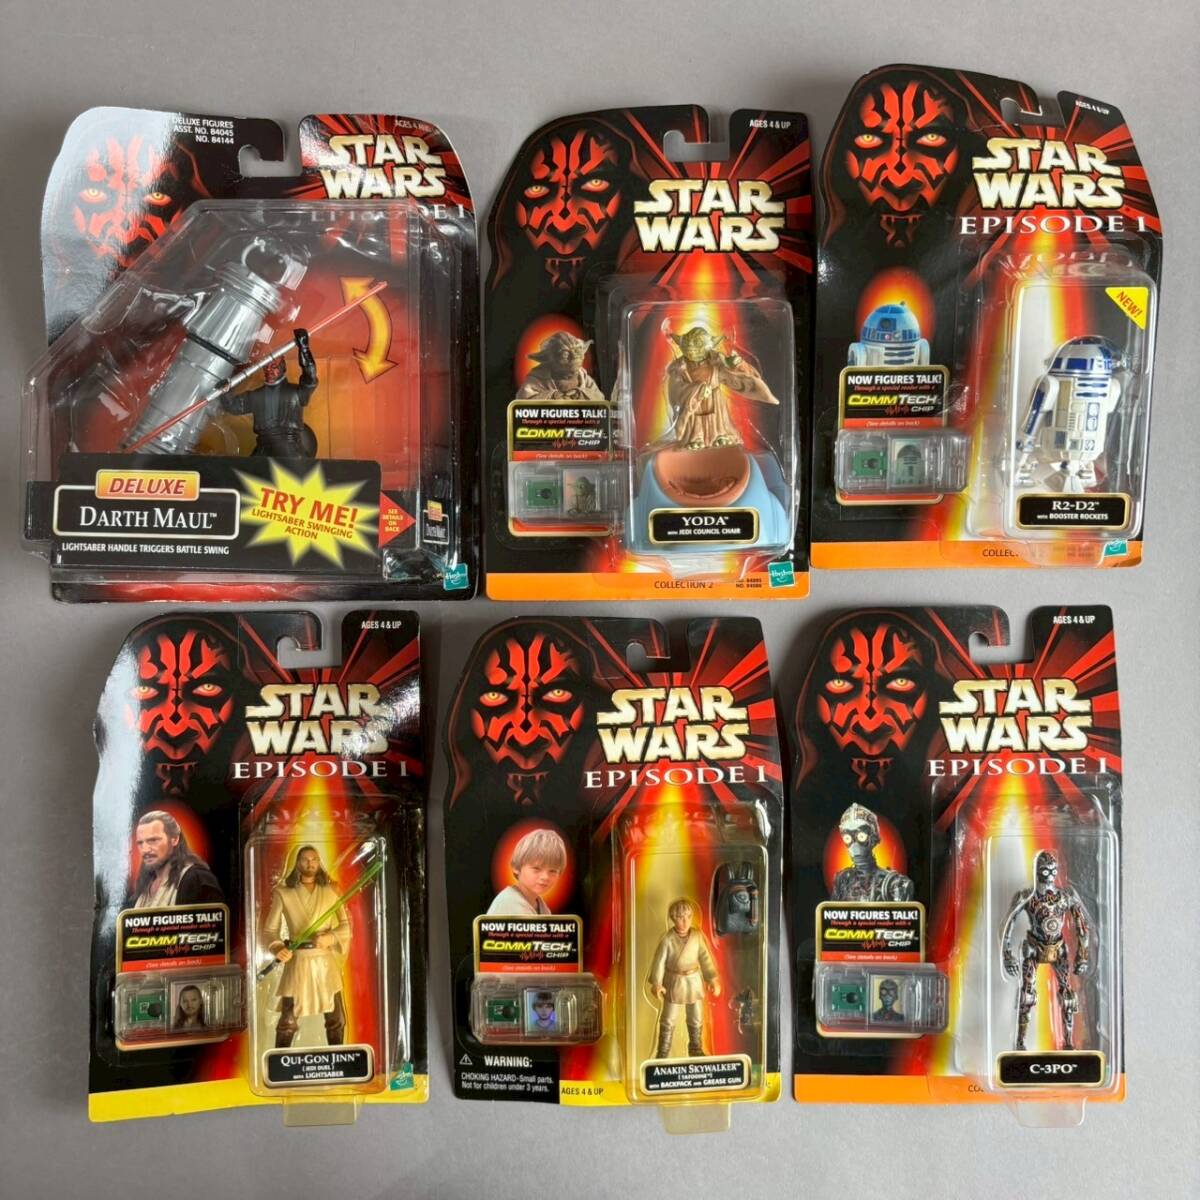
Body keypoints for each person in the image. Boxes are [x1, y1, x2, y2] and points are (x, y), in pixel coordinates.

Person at [260, 846, 350, 1048]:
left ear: (319, 862)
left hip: (324, 963)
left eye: (314, 859)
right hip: (298, 962)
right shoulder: (283, 893)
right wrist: (277, 947)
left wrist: (331, 938)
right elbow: (270, 931)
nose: (310, 863)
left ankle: (338, 1057)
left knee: (336, 1019)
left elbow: (345, 926)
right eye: (305, 859)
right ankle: (279, 1059)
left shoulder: (331, 892)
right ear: (296, 863)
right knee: (288, 1021)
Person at [647, 898, 721, 1058]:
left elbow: (705, 957)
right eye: (681, 917)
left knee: (696, 1017)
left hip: (694, 981)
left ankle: (696, 1048)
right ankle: (663, 1052)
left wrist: (712, 978)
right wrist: (657, 983)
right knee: (668, 1018)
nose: (685, 921)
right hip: (674, 982)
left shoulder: (697, 936)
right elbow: (659, 962)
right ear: (673, 918)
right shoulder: (667, 939)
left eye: (688, 916)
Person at [130, 810, 223, 908]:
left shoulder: (196, 878)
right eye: (140, 843)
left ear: (174, 839)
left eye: (153, 840)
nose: (145, 850)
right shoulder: (144, 884)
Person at [488, 828, 567, 916]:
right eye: (536, 868)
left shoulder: (540, 905)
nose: (545, 877)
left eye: (553, 871)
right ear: (516, 867)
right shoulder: (509, 903)